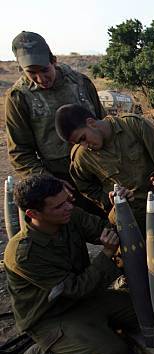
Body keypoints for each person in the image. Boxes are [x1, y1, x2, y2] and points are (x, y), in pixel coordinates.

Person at [4, 174, 138, 354]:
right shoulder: (24, 255)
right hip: (52, 315)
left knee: (141, 312)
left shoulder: (68, 214)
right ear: (33, 213)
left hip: (84, 298)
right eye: (58, 206)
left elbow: (105, 231)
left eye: (67, 200)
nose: (67, 207)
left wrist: (118, 207)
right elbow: (76, 288)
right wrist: (106, 254)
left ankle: (91, 333)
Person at [5, 31, 106, 217]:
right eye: (32, 73)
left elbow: (104, 125)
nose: (41, 79)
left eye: (44, 70)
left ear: (54, 61)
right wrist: (49, 182)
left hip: (98, 172)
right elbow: (20, 152)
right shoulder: (19, 98)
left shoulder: (81, 83)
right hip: (60, 181)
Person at [54, 104, 154, 233]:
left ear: (91, 123)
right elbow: (86, 187)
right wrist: (111, 202)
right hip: (126, 222)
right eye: (79, 143)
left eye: (83, 138)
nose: (85, 146)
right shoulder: (81, 156)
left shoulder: (132, 125)